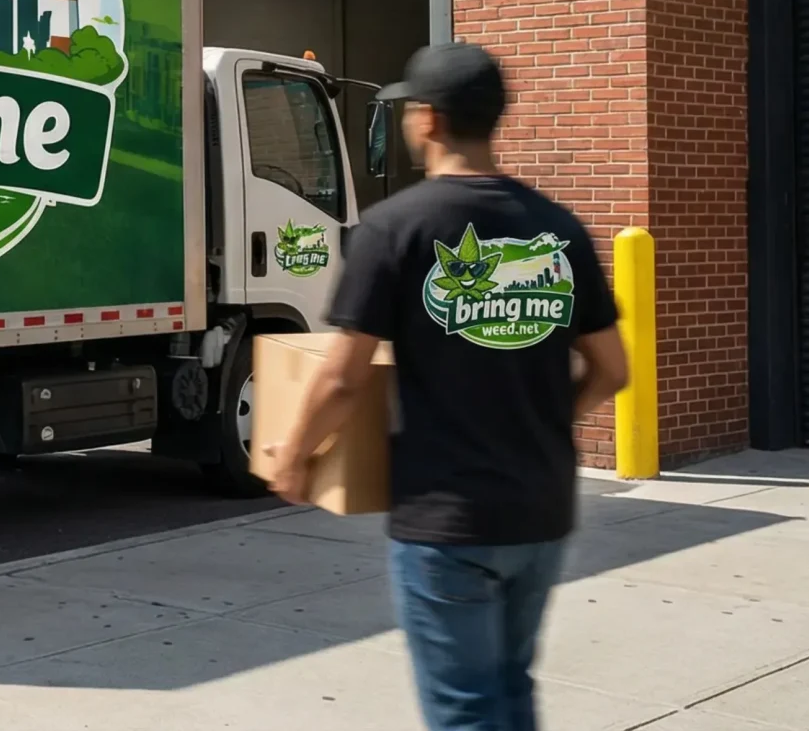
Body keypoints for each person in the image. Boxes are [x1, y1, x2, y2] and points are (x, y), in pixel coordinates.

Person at [265, 42, 628, 731]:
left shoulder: (395, 228)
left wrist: (291, 455)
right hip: (541, 510)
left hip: (448, 521)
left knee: (465, 711)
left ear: (427, 120)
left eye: (409, 110)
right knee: (510, 690)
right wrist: (551, 418)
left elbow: (342, 375)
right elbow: (613, 368)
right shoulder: (558, 230)